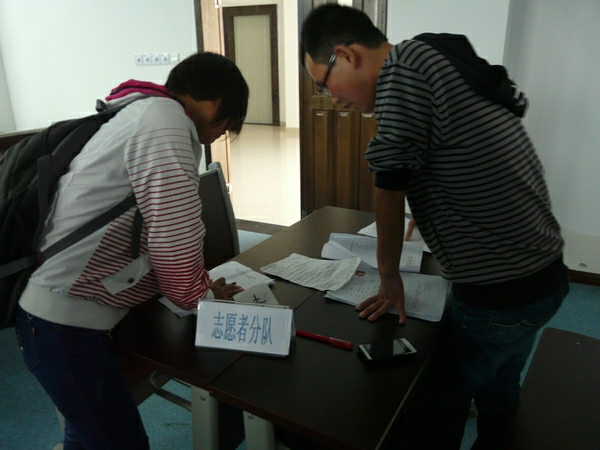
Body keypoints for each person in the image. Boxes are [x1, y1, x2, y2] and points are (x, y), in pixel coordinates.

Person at [301, 5, 569, 449]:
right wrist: (427, 211)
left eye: (323, 84)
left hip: (498, 290)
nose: (334, 99)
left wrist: (389, 279)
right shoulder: (431, 53)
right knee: (499, 385)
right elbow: (457, 152)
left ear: (346, 56)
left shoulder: (401, 72)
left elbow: (389, 185)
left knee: (437, 401)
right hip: (540, 275)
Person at [14, 52, 248, 449]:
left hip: (58, 317)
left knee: (87, 431)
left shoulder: (142, 111)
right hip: (64, 326)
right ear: (216, 102)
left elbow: (157, 231)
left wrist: (201, 289)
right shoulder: (166, 122)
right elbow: (176, 236)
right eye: (228, 120)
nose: (224, 130)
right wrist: (200, 297)